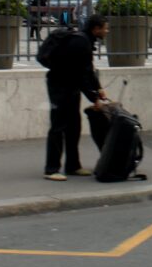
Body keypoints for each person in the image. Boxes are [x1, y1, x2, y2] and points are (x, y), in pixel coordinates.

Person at [44, 13, 109, 181]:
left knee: (74, 127)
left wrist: (98, 89)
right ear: (96, 29)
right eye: (105, 28)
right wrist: (94, 98)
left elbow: (88, 69)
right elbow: (81, 74)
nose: (107, 31)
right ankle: (51, 169)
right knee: (58, 127)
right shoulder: (81, 42)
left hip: (70, 86)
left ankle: (73, 166)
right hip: (59, 86)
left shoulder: (86, 41)